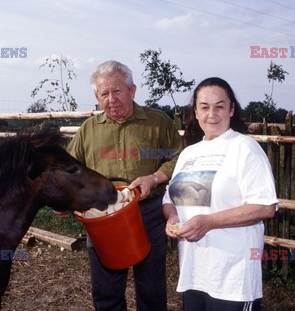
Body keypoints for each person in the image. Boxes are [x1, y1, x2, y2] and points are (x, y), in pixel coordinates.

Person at [67, 60, 183, 311]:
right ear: (97, 97)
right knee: (106, 289)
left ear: (132, 90)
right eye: (104, 94)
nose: (111, 99)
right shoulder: (88, 129)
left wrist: (154, 178)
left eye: (117, 91)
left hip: (147, 212)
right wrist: (67, 199)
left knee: (151, 287)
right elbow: (69, 171)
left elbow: (179, 159)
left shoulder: (158, 122)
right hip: (102, 216)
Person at [162, 77, 278, 311]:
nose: (211, 114)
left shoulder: (245, 148)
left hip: (233, 277)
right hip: (194, 272)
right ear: (195, 111)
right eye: (204, 107)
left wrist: (210, 222)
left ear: (232, 109)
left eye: (219, 106)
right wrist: (172, 218)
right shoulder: (189, 154)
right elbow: (169, 200)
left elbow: (265, 207)